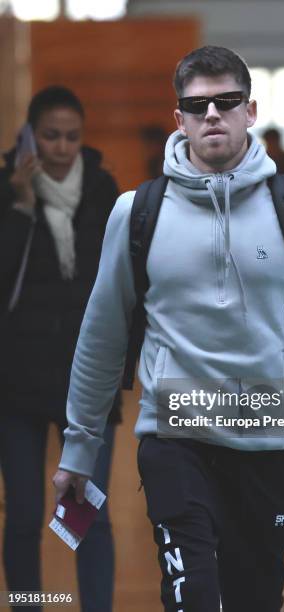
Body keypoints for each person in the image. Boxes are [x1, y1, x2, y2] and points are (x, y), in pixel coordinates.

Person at [53, 47, 284, 611]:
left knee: (254, 599)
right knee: (193, 595)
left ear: (250, 111)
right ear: (179, 118)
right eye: (197, 105)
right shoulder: (138, 213)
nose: (212, 116)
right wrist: (80, 448)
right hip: (175, 445)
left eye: (226, 103)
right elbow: (101, 337)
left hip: (267, 448)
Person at [0, 86, 120, 612]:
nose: (62, 147)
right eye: (51, 135)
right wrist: (22, 208)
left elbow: (122, 286)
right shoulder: (8, 190)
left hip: (86, 382)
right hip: (16, 381)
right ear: (29, 135)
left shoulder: (102, 190)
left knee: (85, 514)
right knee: (25, 516)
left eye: (72, 136)